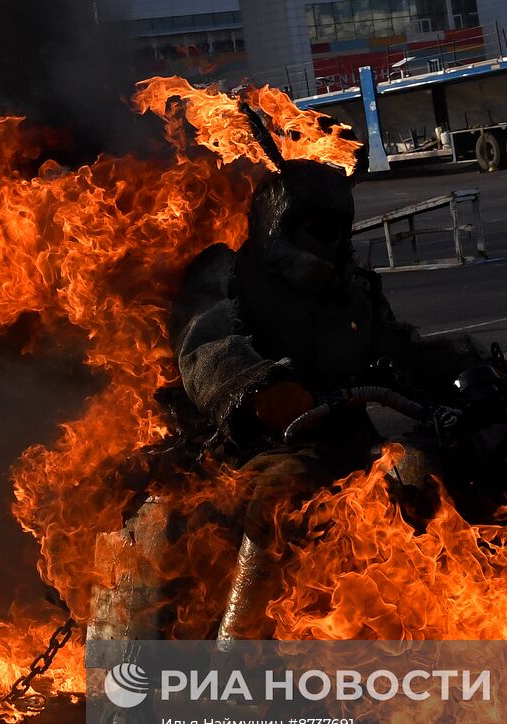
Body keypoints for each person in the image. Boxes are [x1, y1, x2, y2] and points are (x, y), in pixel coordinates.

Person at [169, 160, 481, 646]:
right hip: (259, 444)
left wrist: (466, 370)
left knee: (428, 468)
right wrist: (259, 386)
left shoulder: (353, 288)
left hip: (349, 437)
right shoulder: (230, 274)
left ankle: (434, 624)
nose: (333, 240)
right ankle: (239, 645)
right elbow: (206, 343)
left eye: (340, 228)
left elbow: (398, 346)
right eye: (319, 227)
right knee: (285, 490)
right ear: (280, 221)